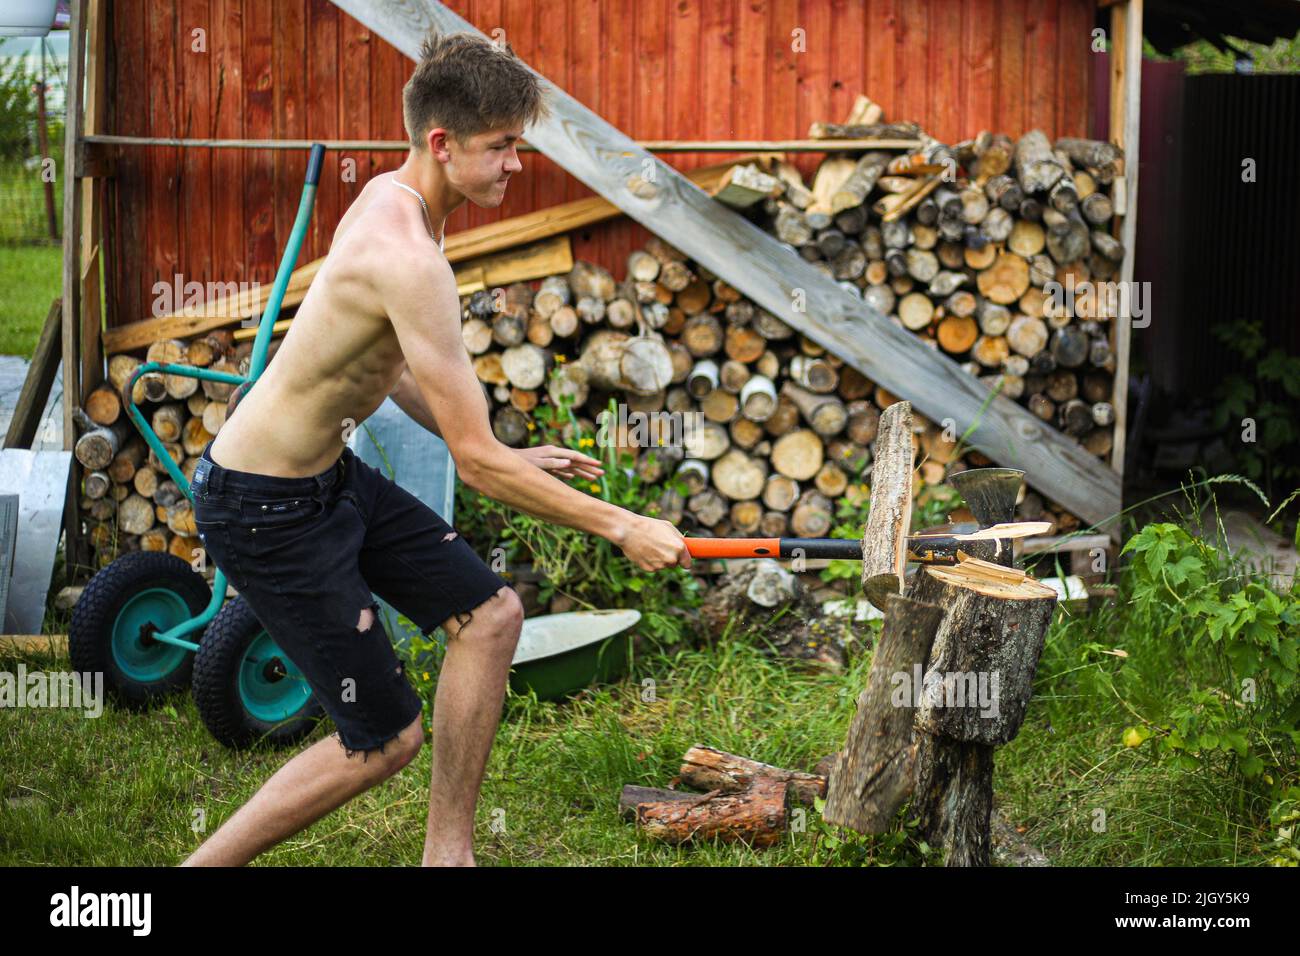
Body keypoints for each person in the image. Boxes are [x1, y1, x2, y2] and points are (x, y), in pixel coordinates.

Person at [181, 31, 690, 868]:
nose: (515, 166)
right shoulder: (410, 255)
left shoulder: (398, 200)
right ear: (443, 143)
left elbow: (381, 370)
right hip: (262, 505)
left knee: (491, 618)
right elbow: (477, 466)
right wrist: (620, 525)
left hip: (325, 480)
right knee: (382, 741)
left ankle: (447, 855)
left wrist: (495, 449)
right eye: (501, 148)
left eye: (518, 145)